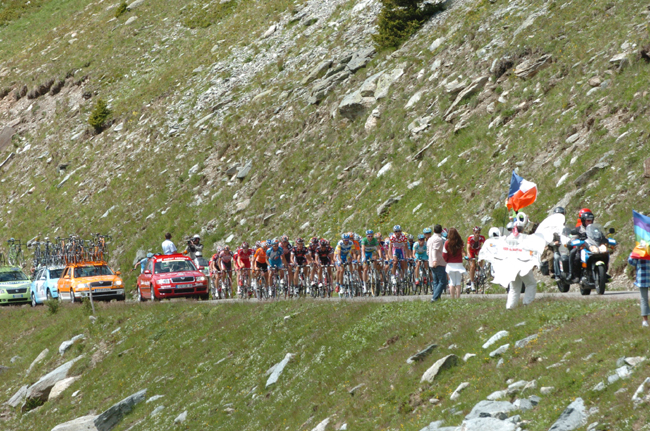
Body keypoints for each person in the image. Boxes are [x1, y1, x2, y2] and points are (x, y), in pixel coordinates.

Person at [569, 209, 595, 283]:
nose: (589, 222)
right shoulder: (578, 229)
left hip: (593, 248)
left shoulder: (594, 229)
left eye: (590, 220)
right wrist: (576, 242)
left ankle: (603, 273)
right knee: (576, 257)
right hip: (582, 248)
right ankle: (575, 275)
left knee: (604, 253)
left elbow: (600, 235)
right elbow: (573, 238)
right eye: (587, 220)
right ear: (583, 221)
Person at [443, 228, 466, 299]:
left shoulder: (447, 243)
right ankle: (458, 297)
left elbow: (444, 254)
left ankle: (452, 297)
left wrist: (447, 260)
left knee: (452, 282)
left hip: (450, 264)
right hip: (459, 264)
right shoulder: (460, 242)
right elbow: (463, 251)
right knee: (458, 282)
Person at [628, 253, 650, 327]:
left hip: (642, 276)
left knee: (644, 299)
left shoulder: (639, 249)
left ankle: (645, 321)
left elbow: (632, 262)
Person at [428, 224, 448, 302]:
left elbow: (428, 251)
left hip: (431, 262)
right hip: (438, 263)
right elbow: (434, 250)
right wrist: (435, 260)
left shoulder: (430, 239)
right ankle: (434, 298)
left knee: (436, 281)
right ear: (441, 231)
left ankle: (437, 297)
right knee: (443, 281)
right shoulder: (438, 239)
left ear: (434, 230)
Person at [388, 225, 409, 290]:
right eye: (396, 231)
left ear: (401, 231)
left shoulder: (403, 237)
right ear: (394, 232)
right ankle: (393, 276)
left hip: (401, 249)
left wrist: (407, 256)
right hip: (395, 249)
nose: (397, 233)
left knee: (403, 262)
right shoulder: (392, 237)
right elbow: (390, 248)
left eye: (399, 231)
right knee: (395, 262)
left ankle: (403, 277)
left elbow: (406, 247)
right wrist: (391, 257)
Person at [361, 230, 380, 294]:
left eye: (371, 236)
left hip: (372, 252)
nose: (370, 237)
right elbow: (363, 250)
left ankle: (374, 271)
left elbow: (378, 248)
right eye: (369, 236)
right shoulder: (364, 240)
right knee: (365, 269)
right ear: (366, 236)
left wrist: (380, 256)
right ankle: (364, 285)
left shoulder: (374, 240)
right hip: (366, 253)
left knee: (374, 259)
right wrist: (363, 257)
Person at [466, 227, 486, 291]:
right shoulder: (470, 238)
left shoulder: (482, 237)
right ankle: (472, 283)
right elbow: (468, 248)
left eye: (479, 232)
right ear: (473, 233)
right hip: (471, 251)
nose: (477, 234)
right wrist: (469, 255)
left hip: (477, 250)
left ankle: (480, 268)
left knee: (481, 255)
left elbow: (485, 245)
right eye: (476, 232)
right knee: (472, 266)